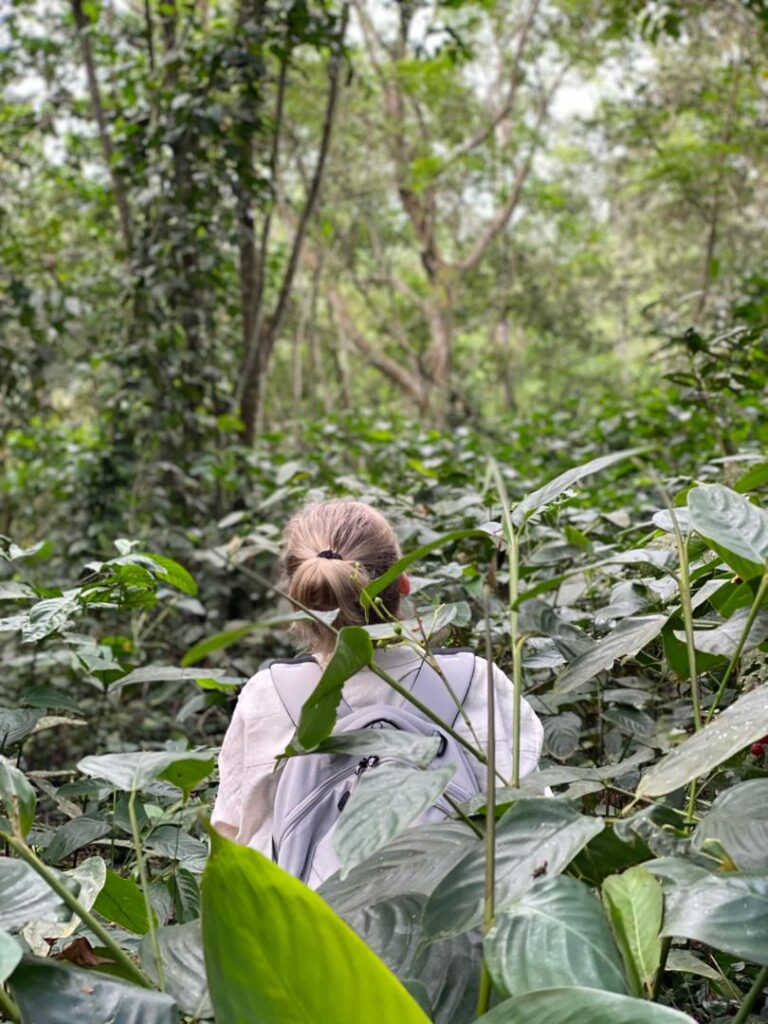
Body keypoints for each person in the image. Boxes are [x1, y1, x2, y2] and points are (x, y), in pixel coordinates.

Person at [212, 499, 544, 882]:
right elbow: (531, 834)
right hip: (452, 928)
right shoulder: (476, 681)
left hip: (314, 934)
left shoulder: (268, 696)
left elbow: (231, 845)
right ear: (402, 585)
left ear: (301, 599)